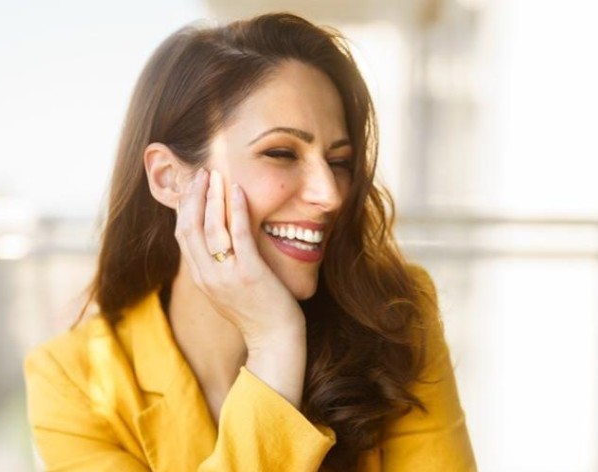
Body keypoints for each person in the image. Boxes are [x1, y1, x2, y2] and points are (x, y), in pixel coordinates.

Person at [24, 12, 476, 472]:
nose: (330, 194)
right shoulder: (74, 380)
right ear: (169, 178)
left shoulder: (394, 314)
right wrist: (275, 345)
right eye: (280, 153)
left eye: (339, 160)